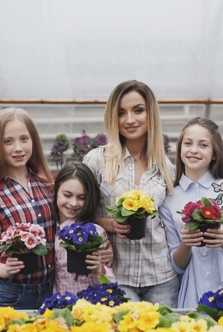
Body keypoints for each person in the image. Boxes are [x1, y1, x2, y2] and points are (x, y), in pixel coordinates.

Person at [83, 80, 180, 307]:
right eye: (121, 113)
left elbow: (178, 212)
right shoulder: (97, 160)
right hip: (117, 275)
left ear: (150, 113)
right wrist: (109, 224)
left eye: (138, 110)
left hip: (162, 277)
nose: (129, 120)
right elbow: (76, 214)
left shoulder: (165, 166)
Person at [160, 117, 223, 309]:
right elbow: (177, 265)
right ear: (180, 149)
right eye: (188, 143)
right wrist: (186, 242)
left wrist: (222, 240)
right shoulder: (169, 198)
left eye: (203, 145)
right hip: (195, 290)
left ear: (215, 154)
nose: (194, 150)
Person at [0, 107, 55, 309]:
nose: (18, 148)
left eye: (24, 139)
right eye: (8, 141)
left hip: (51, 290)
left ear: (33, 140)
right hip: (11, 295)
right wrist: (3, 270)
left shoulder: (48, 186)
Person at [53, 162, 116, 294]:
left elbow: (110, 285)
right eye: (67, 195)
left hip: (88, 307)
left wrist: (99, 268)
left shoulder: (94, 232)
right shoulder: (47, 226)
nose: (73, 203)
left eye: (81, 198)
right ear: (55, 190)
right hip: (57, 305)